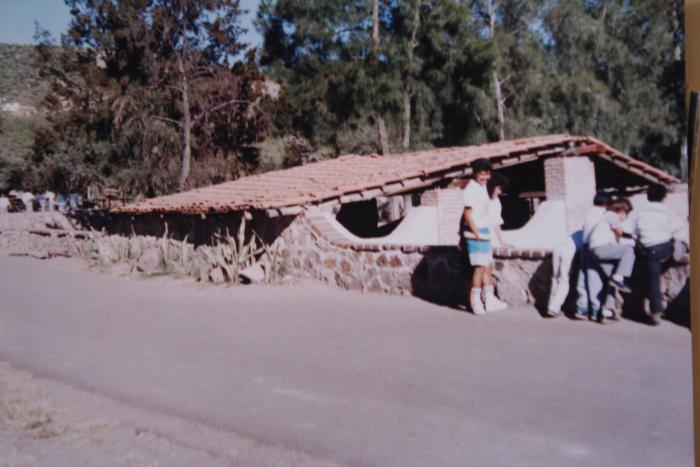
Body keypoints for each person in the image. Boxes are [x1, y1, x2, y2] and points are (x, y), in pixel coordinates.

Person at [633, 184, 688, 324]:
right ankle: (672, 258)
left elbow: (634, 232)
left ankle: (655, 309)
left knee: (653, 276)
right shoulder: (668, 212)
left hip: (646, 250)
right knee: (682, 243)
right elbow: (679, 232)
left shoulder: (640, 212)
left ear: (647, 197)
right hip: (663, 248)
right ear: (664, 197)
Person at [461, 159, 508, 314]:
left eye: (487, 174)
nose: (485, 177)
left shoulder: (481, 187)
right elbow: (467, 214)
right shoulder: (470, 189)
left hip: (484, 233)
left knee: (486, 266)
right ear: (475, 173)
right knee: (479, 268)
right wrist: (476, 233)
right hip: (477, 234)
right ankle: (475, 302)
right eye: (482, 174)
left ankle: (489, 300)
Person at [588, 198, 635, 319]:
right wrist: (634, 237)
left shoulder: (605, 218)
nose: (625, 217)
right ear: (620, 210)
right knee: (628, 250)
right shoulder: (611, 214)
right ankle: (618, 277)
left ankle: (606, 312)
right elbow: (620, 232)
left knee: (612, 281)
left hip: (597, 250)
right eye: (626, 214)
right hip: (600, 248)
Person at [486, 173, 513, 249]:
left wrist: (501, 242)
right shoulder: (480, 197)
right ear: (492, 186)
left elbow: (496, 223)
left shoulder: (496, 202)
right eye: (499, 189)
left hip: (489, 241)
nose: (500, 192)